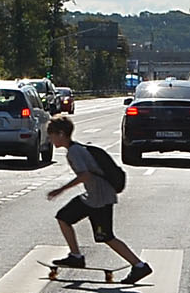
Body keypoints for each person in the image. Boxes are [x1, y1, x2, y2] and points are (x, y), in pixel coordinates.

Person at [43, 115, 150, 282]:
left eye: (51, 135)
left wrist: (61, 189)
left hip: (99, 198)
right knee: (64, 217)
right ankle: (76, 256)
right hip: (95, 196)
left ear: (61, 134)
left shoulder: (74, 151)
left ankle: (139, 266)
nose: (50, 139)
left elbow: (85, 175)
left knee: (106, 236)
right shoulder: (77, 149)